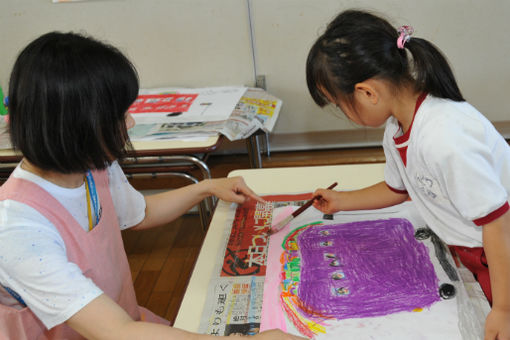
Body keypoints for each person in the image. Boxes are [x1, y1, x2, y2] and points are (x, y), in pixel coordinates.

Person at [0, 32, 305, 340]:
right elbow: (115, 332)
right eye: (119, 116)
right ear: (76, 124)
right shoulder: (19, 229)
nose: (130, 124)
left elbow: (141, 213)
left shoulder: (92, 166)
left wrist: (207, 188)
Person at [306, 9, 510, 340]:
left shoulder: (444, 138)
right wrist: (342, 201)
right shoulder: (398, 126)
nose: (342, 114)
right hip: (479, 250)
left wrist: (504, 309)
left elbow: (499, 224)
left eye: (339, 105)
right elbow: (400, 188)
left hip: (499, 253)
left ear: (367, 93)